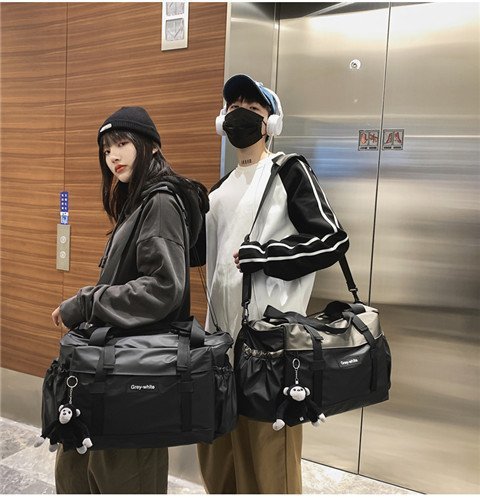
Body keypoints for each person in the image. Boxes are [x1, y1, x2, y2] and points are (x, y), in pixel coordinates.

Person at [196, 74, 349, 494]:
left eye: (253, 107)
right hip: (221, 347)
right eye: (233, 107)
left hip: (271, 349)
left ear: (271, 123)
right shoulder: (219, 190)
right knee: (220, 463)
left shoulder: (288, 171)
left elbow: (333, 239)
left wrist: (268, 256)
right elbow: (199, 255)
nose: (240, 114)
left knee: (270, 466)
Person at [51, 106, 208, 494]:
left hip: (134, 376)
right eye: (106, 149)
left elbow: (163, 289)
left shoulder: (161, 203)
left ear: (151, 146)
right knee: (81, 473)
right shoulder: (138, 202)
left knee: (125, 477)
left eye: (122, 144)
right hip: (116, 368)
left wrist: (87, 302)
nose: (113, 156)